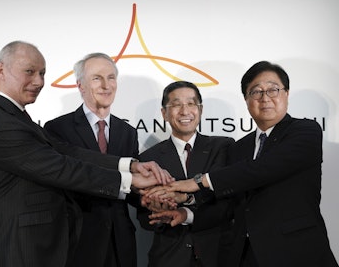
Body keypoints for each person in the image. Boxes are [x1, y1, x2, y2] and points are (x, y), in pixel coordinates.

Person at [0, 41, 172, 267]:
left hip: (39, 245)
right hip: (19, 247)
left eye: (42, 73)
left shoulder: (15, 117)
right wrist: (130, 180)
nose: (38, 81)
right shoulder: (2, 123)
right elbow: (62, 167)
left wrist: (130, 166)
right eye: (29, 71)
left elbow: (68, 152)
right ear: (1, 69)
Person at [147, 61, 339, 267]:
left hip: (298, 253)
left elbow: (263, 169)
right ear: (247, 100)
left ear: (286, 94)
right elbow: (230, 204)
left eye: (273, 90)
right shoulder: (240, 148)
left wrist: (198, 182)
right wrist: (186, 211)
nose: (265, 98)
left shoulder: (305, 131)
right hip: (246, 256)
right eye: (256, 92)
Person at [44, 52, 141, 267]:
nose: (106, 85)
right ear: (80, 85)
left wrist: (152, 199)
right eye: (97, 78)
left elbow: (131, 188)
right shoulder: (57, 129)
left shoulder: (128, 132)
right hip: (78, 241)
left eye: (111, 77)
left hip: (121, 243)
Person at [137, 81, 234, 267]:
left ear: (201, 110)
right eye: (176, 104)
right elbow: (142, 217)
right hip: (168, 258)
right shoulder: (148, 159)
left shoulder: (223, 147)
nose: (184, 111)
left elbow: (225, 199)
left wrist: (184, 200)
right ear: (164, 113)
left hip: (218, 255)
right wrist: (157, 211)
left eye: (191, 104)